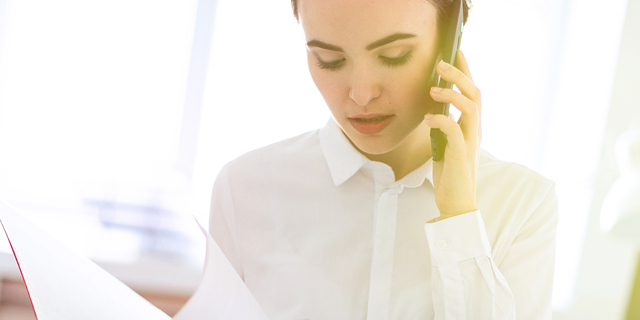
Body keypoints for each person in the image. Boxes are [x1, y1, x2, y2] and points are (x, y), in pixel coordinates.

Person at [208, 0, 558, 319]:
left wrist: (459, 218)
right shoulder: (245, 189)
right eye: (329, 60)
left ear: (451, 41)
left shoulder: (523, 205)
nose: (361, 94)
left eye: (394, 55)